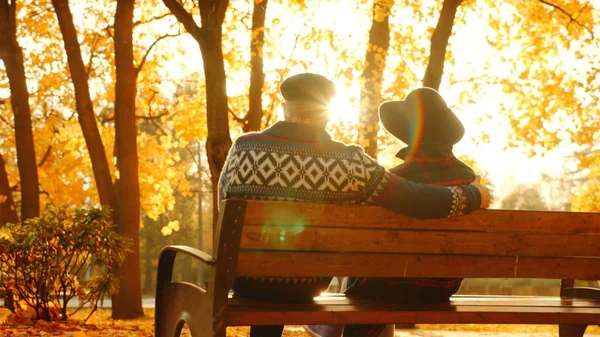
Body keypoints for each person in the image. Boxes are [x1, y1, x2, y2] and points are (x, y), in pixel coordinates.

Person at [218, 74, 490, 337]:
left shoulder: (243, 148)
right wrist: (474, 195)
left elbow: (224, 206)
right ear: (327, 114)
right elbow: (416, 199)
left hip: (245, 281)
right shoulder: (349, 162)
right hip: (308, 283)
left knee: (268, 266)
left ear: (284, 107)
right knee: (287, 268)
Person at [306, 87, 483, 337]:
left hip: (387, 286)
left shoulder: (394, 182)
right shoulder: (470, 183)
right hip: (442, 287)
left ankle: (338, 329)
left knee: (369, 271)